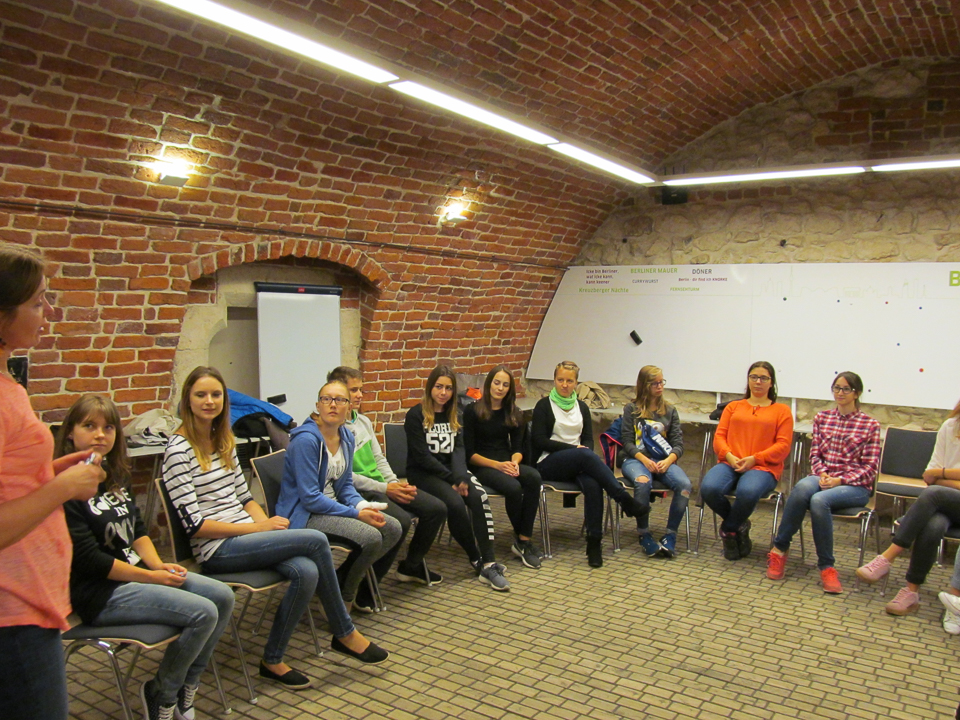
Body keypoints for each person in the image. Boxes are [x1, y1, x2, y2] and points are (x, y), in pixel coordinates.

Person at [163, 366, 387, 693]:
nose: (209, 401)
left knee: (307, 571)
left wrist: (263, 527)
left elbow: (244, 497)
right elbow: (194, 526)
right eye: (201, 395)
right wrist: (260, 528)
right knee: (315, 541)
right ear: (187, 400)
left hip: (248, 536)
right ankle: (344, 632)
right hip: (217, 548)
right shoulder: (178, 450)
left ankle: (272, 660)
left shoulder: (223, 441)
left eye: (216, 395)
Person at [60, 395, 235, 720]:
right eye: (89, 426)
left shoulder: (114, 474)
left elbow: (138, 531)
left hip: (138, 575)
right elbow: (89, 560)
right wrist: (152, 577)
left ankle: (185, 684)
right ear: (70, 432)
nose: (100, 435)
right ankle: (161, 695)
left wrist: (157, 564)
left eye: (108, 427)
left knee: (222, 596)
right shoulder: (65, 486)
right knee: (203, 612)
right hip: (99, 592)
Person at [0, 246, 103, 720]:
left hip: (31, 600)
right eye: (38, 302)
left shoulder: (10, 385)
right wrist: (62, 488)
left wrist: (53, 472)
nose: (49, 312)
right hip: (12, 612)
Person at [277, 379, 403, 614]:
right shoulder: (306, 440)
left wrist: (363, 505)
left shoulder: (346, 436)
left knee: (393, 528)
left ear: (349, 407)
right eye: (326, 399)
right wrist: (355, 514)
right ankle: (343, 596)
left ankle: (334, 583)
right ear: (318, 405)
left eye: (339, 400)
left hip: (332, 506)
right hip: (305, 514)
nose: (332, 404)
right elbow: (310, 498)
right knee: (371, 537)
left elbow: (344, 486)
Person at [328, 366, 446, 587]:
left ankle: (411, 566)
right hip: (360, 492)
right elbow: (344, 476)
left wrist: (394, 483)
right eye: (354, 390)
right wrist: (386, 489)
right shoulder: (332, 428)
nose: (360, 395)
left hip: (382, 486)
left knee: (436, 509)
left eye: (361, 389)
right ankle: (363, 588)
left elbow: (379, 458)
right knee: (400, 522)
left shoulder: (363, 421)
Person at [767, 372, 880, 594]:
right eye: (837, 388)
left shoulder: (870, 425)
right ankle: (779, 549)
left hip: (854, 486)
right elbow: (815, 455)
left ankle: (827, 567)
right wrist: (823, 474)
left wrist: (840, 480)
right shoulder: (822, 418)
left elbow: (870, 468)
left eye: (846, 389)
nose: (840, 393)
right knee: (801, 488)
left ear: (856, 393)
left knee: (819, 500)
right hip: (824, 477)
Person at [404, 365, 510, 591]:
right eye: (439, 387)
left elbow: (459, 450)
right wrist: (452, 479)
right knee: (454, 503)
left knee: (479, 496)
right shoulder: (415, 415)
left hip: (452, 472)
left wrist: (461, 477)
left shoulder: (456, 414)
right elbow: (422, 457)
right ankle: (476, 559)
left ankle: (489, 561)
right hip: (424, 474)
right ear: (430, 387)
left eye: (449, 388)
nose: (443, 393)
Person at [532, 361, 644, 568]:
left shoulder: (581, 407)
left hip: (578, 461)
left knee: (593, 484)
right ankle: (623, 498)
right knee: (585, 455)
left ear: (576, 383)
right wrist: (575, 450)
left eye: (569, 381)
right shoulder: (544, 405)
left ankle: (594, 543)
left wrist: (581, 452)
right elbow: (539, 441)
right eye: (560, 380)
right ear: (554, 380)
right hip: (548, 462)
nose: (564, 385)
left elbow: (588, 440)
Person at [857, 397, 960, 621]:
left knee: (934, 494)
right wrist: (943, 476)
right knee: (933, 526)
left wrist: (942, 474)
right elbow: (929, 475)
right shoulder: (950, 426)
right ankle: (911, 592)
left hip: (942, 496)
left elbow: (935, 478)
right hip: (947, 502)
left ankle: (888, 556)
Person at [700, 361, 794, 561]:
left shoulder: (782, 411)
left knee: (747, 492)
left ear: (771, 383)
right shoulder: (733, 407)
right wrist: (729, 455)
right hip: (730, 462)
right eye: (754, 377)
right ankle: (739, 525)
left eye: (764, 378)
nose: (758, 382)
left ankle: (729, 530)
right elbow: (719, 437)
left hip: (763, 467)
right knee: (709, 488)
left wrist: (755, 459)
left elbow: (783, 445)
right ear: (748, 380)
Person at [464, 365, 544, 569]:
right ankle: (522, 539)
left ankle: (523, 539)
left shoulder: (514, 412)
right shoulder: (472, 411)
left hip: (506, 462)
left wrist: (514, 463)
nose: (500, 388)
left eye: (505, 385)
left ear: (510, 389)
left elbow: (517, 448)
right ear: (489, 384)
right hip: (483, 465)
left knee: (534, 477)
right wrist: (498, 466)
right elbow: (469, 454)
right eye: (497, 383)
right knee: (513, 488)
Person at [619, 365, 692, 558]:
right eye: (655, 383)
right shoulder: (631, 409)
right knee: (643, 481)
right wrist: (644, 459)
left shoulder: (670, 411)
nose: (660, 387)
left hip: (663, 460)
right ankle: (644, 533)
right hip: (636, 459)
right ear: (644, 385)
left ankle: (670, 535)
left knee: (684, 485)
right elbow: (627, 442)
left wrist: (669, 461)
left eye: (661, 382)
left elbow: (678, 444)